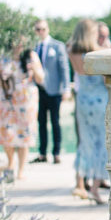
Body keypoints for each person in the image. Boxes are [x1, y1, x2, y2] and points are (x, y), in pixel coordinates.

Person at [67, 20, 109, 204]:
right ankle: (95, 189)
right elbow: (106, 79)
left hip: (82, 99)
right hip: (99, 99)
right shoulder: (99, 52)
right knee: (101, 143)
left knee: (84, 141)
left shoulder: (71, 51)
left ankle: (80, 185)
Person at [0, 42, 44, 179]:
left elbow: (40, 78)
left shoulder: (31, 56)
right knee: (6, 132)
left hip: (26, 100)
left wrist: (34, 68)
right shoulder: (3, 57)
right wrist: (5, 83)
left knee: (24, 133)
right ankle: (11, 163)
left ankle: (21, 170)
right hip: (7, 99)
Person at [32, 19, 71, 163]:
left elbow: (64, 68)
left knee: (55, 121)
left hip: (54, 90)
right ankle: (42, 153)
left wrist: (66, 88)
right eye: (38, 29)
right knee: (41, 122)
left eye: (43, 29)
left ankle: (56, 153)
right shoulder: (34, 47)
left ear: (47, 29)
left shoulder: (58, 46)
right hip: (39, 90)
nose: (41, 32)